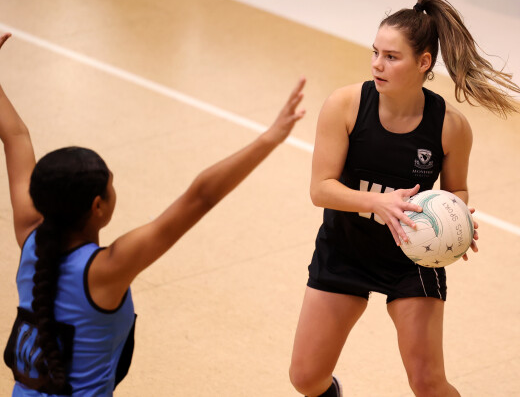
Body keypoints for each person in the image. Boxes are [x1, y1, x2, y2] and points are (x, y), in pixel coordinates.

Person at [0, 32, 307, 396]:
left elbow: (15, 137)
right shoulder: (105, 270)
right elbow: (200, 198)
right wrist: (270, 138)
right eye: (111, 184)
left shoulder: (30, 236)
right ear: (98, 206)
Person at [289, 0, 520, 397]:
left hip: (411, 259)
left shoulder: (450, 127)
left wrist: (458, 220)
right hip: (345, 250)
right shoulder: (345, 105)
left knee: (428, 384)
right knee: (306, 379)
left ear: (423, 62)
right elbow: (321, 189)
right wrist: (377, 203)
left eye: (391, 57)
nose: (377, 65)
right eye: (375, 53)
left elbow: (456, 190)